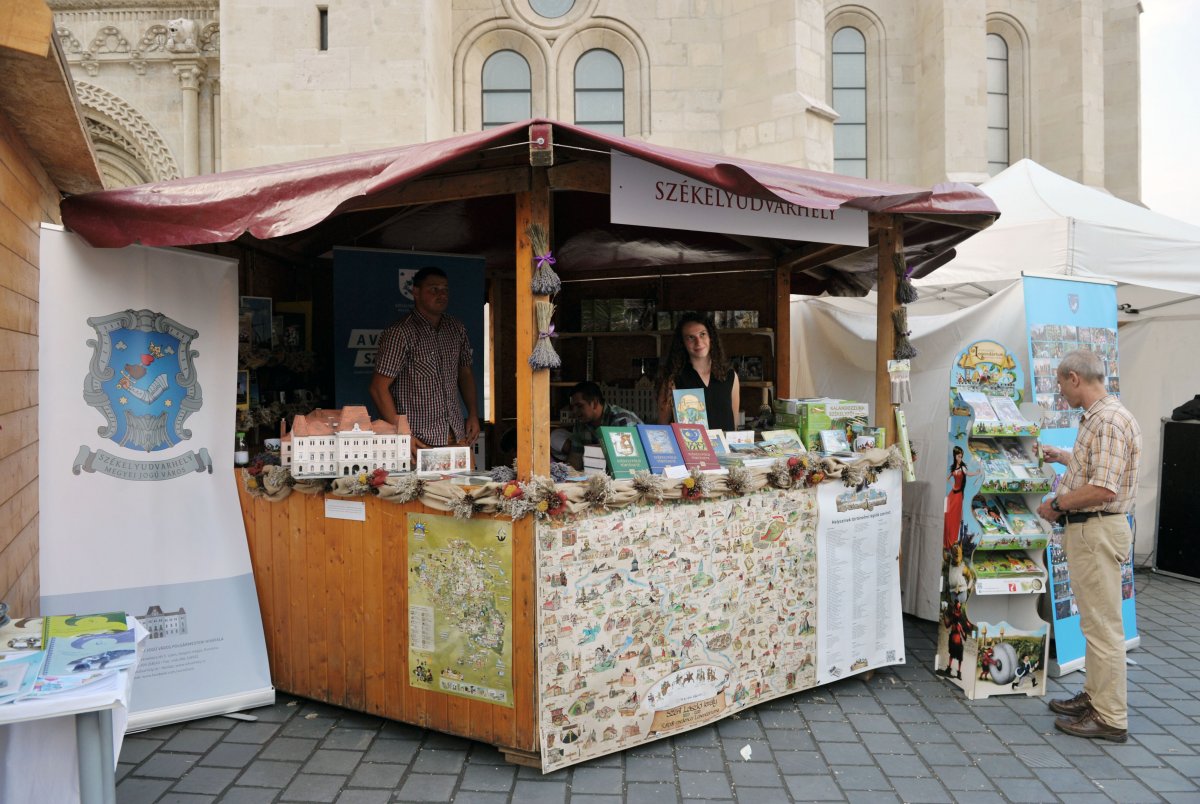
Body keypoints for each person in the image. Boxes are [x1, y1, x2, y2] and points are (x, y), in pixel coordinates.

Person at [1036, 349, 1141, 744]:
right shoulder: (1106, 417)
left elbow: (1103, 488)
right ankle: (1096, 698)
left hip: (1096, 529)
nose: (1061, 393)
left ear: (1075, 378)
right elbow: (1098, 470)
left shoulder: (1108, 420)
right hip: (1096, 530)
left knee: (1103, 628)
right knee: (1095, 623)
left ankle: (1111, 716)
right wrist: (1064, 457)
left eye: (1061, 384)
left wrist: (1057, 504)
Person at [369, 266, 479, 455]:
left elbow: (465, 373)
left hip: (456, 434)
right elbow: (378, 388)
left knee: (462, 485)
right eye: (433, 289)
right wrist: (403, 434)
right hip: (418, 440)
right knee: (423, 486)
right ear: (416, 293)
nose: (441, 294)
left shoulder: (456, 328)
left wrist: (473, 414)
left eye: (445, 289)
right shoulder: (401, 333)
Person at [656, 312, 740, 430]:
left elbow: (734, 424)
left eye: (702, 334)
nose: (698, 342)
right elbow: (662, 428)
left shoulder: (731, 376)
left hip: (726, 448)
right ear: (683, 343)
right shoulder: (673, 380)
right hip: (690, 447)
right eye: (691, 337)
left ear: (711, 337)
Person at [566, 381, 642, 468]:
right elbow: (575, 460)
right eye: (572, 407)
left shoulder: (621, 420)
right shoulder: (580, 424)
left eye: (579, 406)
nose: (574, 412)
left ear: (594, 403)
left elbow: (629, 463)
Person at [944, 445, 979, 549]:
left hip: (959, 494)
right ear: (955, 456)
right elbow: (947, 478)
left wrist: (977, 472)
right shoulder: (953, 467)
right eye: (959, 456)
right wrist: (952, 485)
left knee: (955, 517)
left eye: (961, 456)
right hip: (952, 494)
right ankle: (946, 540)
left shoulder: (963, 467)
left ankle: (952, 540)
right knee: (947, 514)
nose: (960, 458)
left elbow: (968, 474)